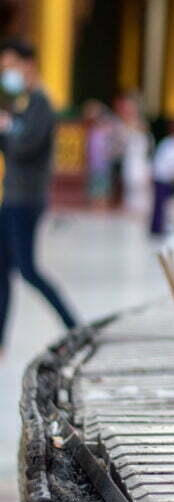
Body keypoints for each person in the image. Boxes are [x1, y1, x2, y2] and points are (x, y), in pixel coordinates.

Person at [0, 39, 77, 353]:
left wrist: (6, 127)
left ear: (27, 65)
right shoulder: (22, 103)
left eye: (9, 66)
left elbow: (24, 147)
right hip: (11, 196)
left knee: (28, 270)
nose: (6, 73)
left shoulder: (41, 104)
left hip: (27, 199)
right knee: (2, 269)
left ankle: (74, 327)